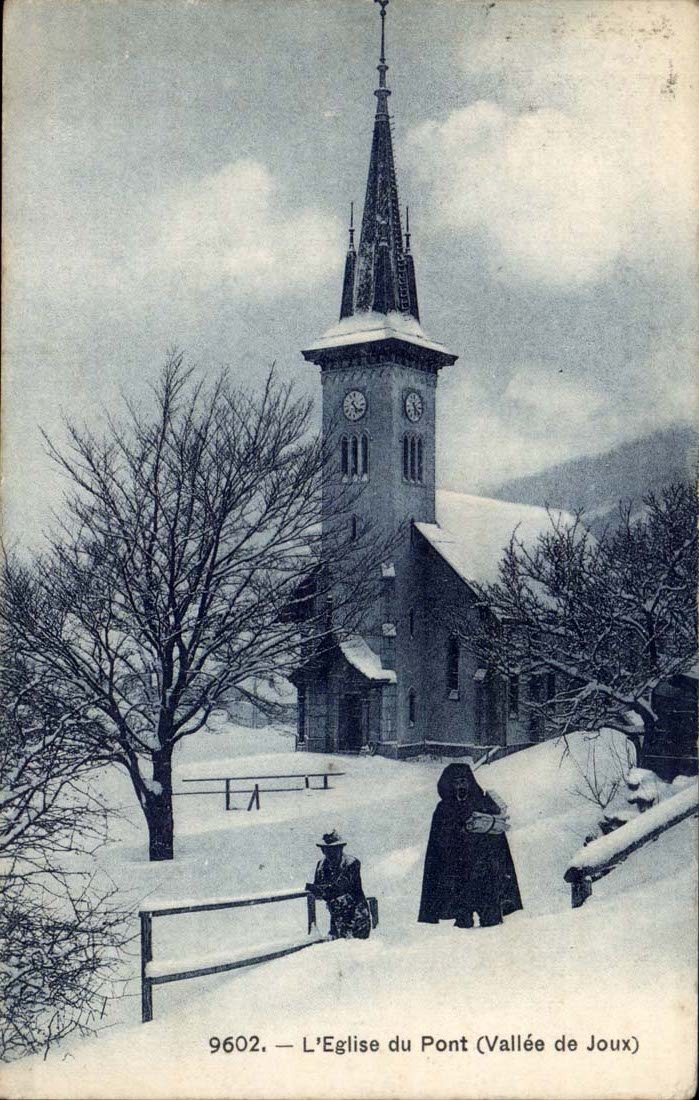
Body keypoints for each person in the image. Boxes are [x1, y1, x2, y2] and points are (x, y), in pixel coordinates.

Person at [418, 762, 523, 928]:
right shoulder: (443, 809)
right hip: (458, 877)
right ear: (450, 785)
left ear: (470, 782)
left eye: (464, 781)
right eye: (456, 782)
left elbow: (498, 840)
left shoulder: (483, 803)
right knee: (463, 928)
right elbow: (437, 847)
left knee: (493, 926)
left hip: (485, 875)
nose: (461, 786)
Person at [306, 830, 371, 939]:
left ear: (341, 848)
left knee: (358, 947)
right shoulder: (321, 866)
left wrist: (317, 889)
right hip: (336, 916)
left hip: (357, 915)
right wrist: (317, 889)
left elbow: (340, 887)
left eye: (334, 849)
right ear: (322, 850)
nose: (330, 853)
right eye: (327, 850)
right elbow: (318, 889)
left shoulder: (351, 863)